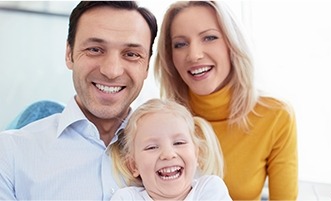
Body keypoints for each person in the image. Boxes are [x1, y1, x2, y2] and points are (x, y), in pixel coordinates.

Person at [0, 1, 158, 200]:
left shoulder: (178, 155)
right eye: (95, 49)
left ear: (146, 67)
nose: (111, 71)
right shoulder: (9, 154)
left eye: (131, 54)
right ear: (69, 54)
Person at [154, 1, 298, 200]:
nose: (194, 55)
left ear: (232, 44)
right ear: (171, 58)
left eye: (209, 37)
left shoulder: (275, 116)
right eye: (180, 44)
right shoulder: (157, 122)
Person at [109, 98, 231, 200]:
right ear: (134, 165)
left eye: (178, 143)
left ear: (196, 154)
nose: (168, 154)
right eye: (152, 147)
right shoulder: (127, 198)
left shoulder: (210, 189)